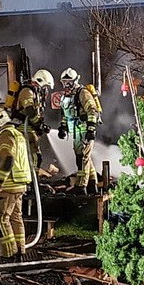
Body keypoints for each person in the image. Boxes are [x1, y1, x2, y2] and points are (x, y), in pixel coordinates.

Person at [0, 106, 31, 263]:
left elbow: (8, 159)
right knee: (15, 218)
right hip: (17, 185)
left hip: (7, 186)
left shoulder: (5, 136)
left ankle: (9, 254)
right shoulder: (16, 134)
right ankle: (20, 251)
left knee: (1, 219)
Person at [57, 67, 102, 195]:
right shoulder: (66, 97)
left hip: (83, 131)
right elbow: (65, 115)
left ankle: (81, 185)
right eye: (64, 82)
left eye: (69, 82)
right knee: (85, 158)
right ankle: (92, 183)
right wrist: (63, 127)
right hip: (75, 132)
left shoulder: (83, 93)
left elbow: (92, 110)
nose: (67, 85)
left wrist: (91, 129)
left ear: (75, 80)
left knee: (82, 158)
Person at [11, 69, 54, 169]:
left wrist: (40, 125)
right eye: (45, 86)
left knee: (35, 157)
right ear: (40, 81)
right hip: (23, 129)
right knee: (33, 158)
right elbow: (30, 110)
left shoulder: (35, 92)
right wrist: (39, 124)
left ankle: (32, 180)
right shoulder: (27, 91)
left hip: (30, 129)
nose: (45, 89)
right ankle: (30, 181)